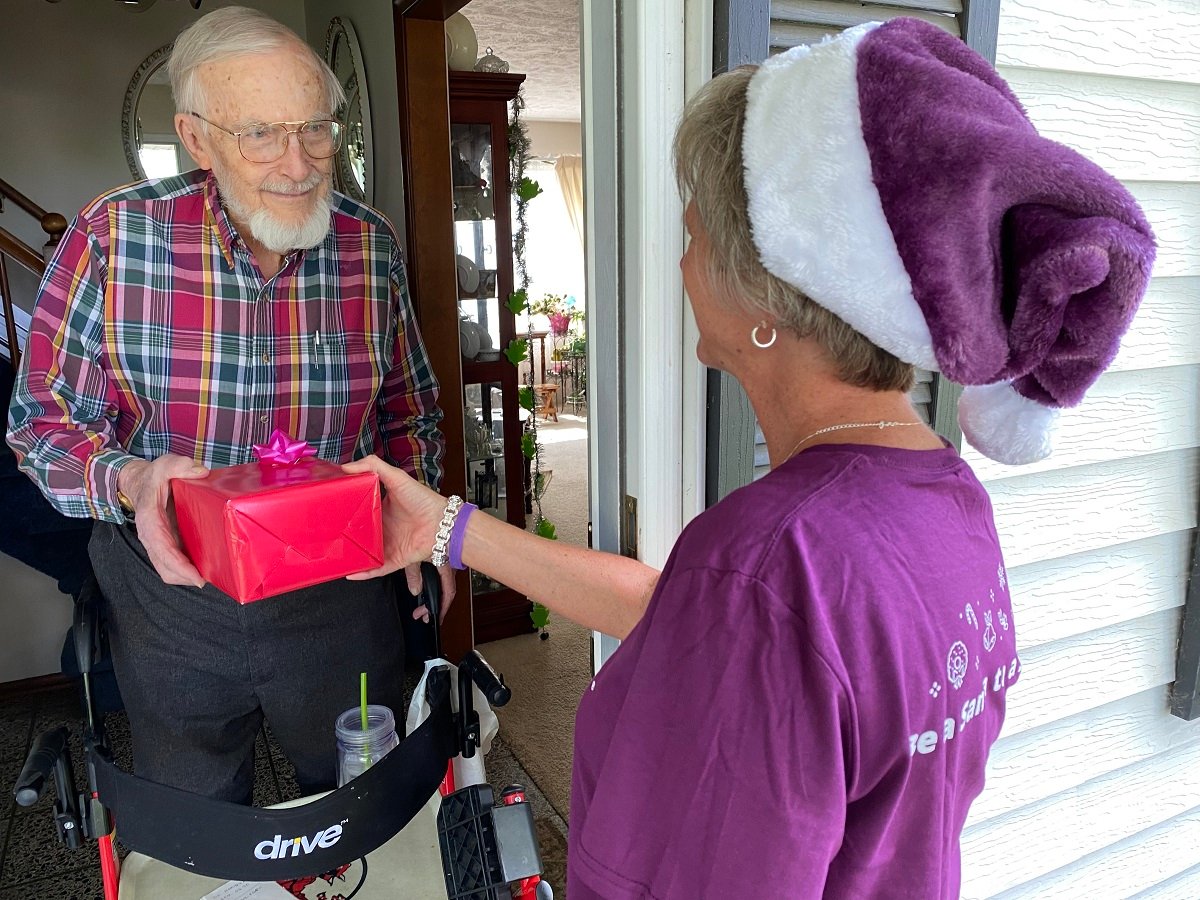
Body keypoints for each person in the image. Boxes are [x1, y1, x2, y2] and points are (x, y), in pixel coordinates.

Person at [344, 18, 1155, 898]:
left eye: (693, 236)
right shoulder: (945, 501)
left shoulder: (767, 565)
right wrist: (448, 529)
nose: (685, 263)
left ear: (762, 288)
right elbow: (688, 615)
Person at [6, 7, 449, 804]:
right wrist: (132, 482)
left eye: (318, 128)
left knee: (366, 795)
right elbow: (39, 424)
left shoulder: (368, 244)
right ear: (198, 139)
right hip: (170, 592)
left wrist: (426, 532)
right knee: (194, 814)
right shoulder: (113, 238)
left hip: (338, 586)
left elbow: (407, 411)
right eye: (262, 134)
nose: (301, 162)